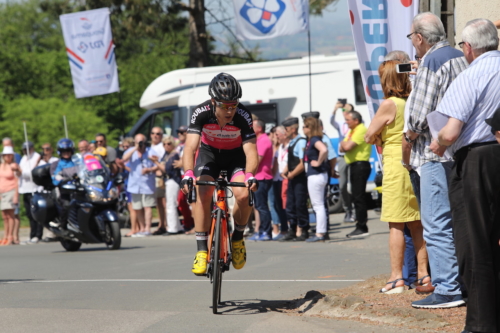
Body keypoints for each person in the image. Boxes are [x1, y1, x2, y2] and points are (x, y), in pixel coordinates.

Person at [430, 19, 500, 333]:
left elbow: (451, 129)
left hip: (478, 158)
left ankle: (482, 323)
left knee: (475, 241)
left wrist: (437, 142)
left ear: (468, 48)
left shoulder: (471, 75)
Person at [405, 12, 468, 308]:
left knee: (436, 223)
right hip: (459, 150)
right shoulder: (458, 55)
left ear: (419, 37)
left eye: (412, 38)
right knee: (456, 221)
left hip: (433, 152)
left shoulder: (432, 59)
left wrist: (407, 135)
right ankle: (461, 282)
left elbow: (417, 116)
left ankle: (447, 287)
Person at [181, 72, 258, 276]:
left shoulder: (243, 115)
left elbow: (251, 150)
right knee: (203, 192)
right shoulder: (201, 112)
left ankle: (238, 237)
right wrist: (188, 173)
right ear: (214, 101)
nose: (230, 110)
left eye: (234, 104)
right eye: (225, 105)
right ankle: (201, 251)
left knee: (243, 195)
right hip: (210, 155)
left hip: (235, 157)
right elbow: (190, 147)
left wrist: (250, 175)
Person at [364, 60, 429, 294]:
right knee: (416, 222)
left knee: (396, 224)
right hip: (412, 161)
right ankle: (423, 274)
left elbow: (369, 135)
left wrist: (379, 138)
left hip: (394, 163)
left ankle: (396, 277)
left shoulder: (389, 104)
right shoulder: (410, 101)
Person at [340, 111, 372, 238]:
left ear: (356, 120)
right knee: (355, 196)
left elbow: (346, 147)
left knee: (358, 197)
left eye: (348, 120)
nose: (346, 122)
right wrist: (344, 144)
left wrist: (344, 144)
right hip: (354, 165)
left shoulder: (360, 130)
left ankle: (362, 226)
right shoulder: (352, 131)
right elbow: (342, 146)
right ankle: (360, 225)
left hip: (360, 165)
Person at [121, 134, 159, 237]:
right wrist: (135, 149)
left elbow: (157, 165)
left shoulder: (150, 151)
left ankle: (147, 229)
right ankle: (141, 228)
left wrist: (149, 170)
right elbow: (124, 158)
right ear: (134, 142)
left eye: (141, 142)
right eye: (138, 142)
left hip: (147, 183)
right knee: (137, 207)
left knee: (147, 206)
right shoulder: (131, 151)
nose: (140, 144)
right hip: (134, 183)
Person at [280, 117, 309, 242]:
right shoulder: (292, 142)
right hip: (292, 178)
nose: (284, 132)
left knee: (300, 205)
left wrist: (292, 174)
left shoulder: (301, 142)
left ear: (292, 129)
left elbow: (302, 163)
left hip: (299, 178)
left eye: (286, 129)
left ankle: (304, 230)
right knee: (290, 205)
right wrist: (285, 171)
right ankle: (292, 230)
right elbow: (292, 160)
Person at [302, 117, 329, 242]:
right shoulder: (313, 140)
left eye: (305, 126)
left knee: (318, 205)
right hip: (319, 175)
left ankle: (320, 233)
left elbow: (324, 149)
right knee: (319, 205)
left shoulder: (314, 139)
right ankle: (320, 232)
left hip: (316, 175)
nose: (303, 129)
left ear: (310, 128)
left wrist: (318, 162)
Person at [151, 136, 183, 234]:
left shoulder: (174, 155)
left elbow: (167, 169)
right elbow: (163, 163)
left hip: (173, 180)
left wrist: (155, 162)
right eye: (164, 144)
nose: (166, 146)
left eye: (168, 143)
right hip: (168, 181)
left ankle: (172, 228)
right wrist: (158, 160)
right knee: (171, 204)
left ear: (172, 144)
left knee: (170, 205)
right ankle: (177, 227)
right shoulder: (167, 154)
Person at [330, 102, 355, 222]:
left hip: (353, 156)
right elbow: (331, 121)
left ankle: (355, 210)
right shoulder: (340, 124)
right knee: (342, 185)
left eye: (346, 110)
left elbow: (362, 123)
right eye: (343, 110)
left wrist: (352, 110)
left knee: (355, 185)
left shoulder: (354, 123)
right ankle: (348, 209)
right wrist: (335, 109)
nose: (344, 111)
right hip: (342, 157)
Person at [248, 119, 273, 241]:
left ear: (259, 128)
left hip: (262, 177)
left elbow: (258, 159)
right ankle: (261, 230)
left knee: (262, 206)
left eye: (252, 126)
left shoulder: (263, 140)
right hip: (257, 177)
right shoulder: (258, 140)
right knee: (258, 206)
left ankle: (267, 232)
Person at [50, 139, 79, 231]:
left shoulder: (77, 160)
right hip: (65, 191)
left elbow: (85, 169)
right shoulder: (57, 164)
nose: (66, 153)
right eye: (64, 151)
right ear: (60, 152)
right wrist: (60, 178)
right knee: (66, 205)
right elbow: (55, 178)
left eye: (68, 151)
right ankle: (63, 226)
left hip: (79, 189)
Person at [19, 141, 42, 245]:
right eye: (24, 149)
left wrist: (21, 172)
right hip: (26, 189)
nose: (25, 151)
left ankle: (38, 235)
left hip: (34, 189)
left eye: (27, 149)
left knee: (36, 213)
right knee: (29, 213)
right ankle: (32, 235)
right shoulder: (24, 158)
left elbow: (33, 172)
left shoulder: (37, 157)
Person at [172, 125, 194, 234]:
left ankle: (192, 223)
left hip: (191, 175)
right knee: (181, 201)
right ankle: (188, 222)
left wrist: (182, 162)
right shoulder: (178, 146)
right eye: (178, 132)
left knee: (192, 201)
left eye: (183, 132)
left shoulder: (192, 144)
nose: (180, 134)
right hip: (181, 176)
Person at [269, 126, 287, 240]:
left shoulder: (285, 147)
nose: (275, 137)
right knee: (278, 205)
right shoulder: (278, 148)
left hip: (282, 179)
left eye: (277, 134)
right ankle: (284, 229)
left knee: (283, 205)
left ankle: (286, 229)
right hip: (276, 179)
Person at [38, 143, 59, 242]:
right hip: (44, 189)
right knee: (46, 210)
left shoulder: (55, 160)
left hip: (54, 188)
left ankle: (55, 233)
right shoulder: (40, 162)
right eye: (43, 149)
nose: (45, 151)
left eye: (47, 149)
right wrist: (40, 160)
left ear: (51, 150)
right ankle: (48, 233)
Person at [149, 126, 167, 235]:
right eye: (153, 133)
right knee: (157, 203)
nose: (155, 136)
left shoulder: (163, 146)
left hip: (159, 177)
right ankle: (161, 224)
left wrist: (150, 169)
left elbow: (163, 162)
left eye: (158, 134)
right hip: (151, 177)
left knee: (163, 202)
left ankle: (165, 224)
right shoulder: (149, 146)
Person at [0, 146, 20, 246]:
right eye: (5, 155)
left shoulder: (13, 165)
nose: (7, 156)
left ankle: (10, 236)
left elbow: (17, 180)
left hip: (11, 191)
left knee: (11, 215)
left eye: (9, 155)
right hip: (2, 193)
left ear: (12, 156)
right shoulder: (1, 166)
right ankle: (5, 235)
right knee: (4, 215)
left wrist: (16, 195)